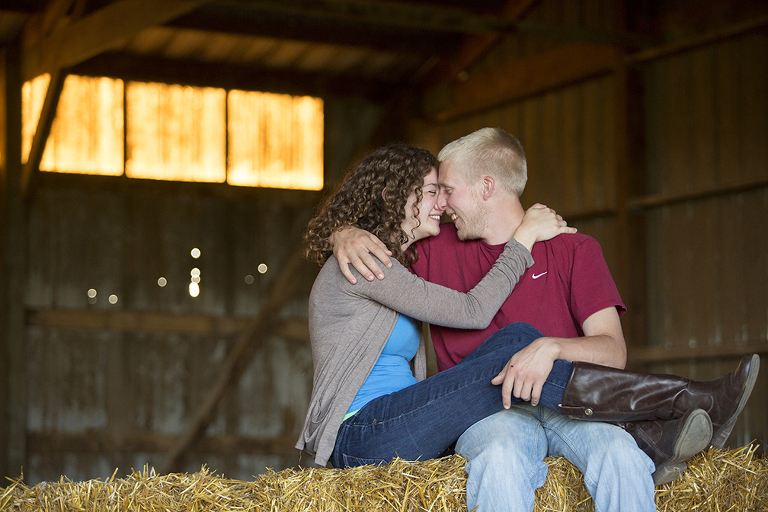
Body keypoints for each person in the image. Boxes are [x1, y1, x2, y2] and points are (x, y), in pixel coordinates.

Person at [330, 128, 759, 511]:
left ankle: (662, 421)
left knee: (622, 457)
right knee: (499, 460)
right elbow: (381, 233)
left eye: (447, 190)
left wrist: (551, 347)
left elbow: (613, 352)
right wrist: (343, 233)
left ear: (486, 186)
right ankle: (672, 409)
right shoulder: (432, 247)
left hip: (569, 407)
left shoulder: (575, 249)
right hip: (488, 412)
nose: (440, 203)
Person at [295, 143, 578, 468]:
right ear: (391, 196)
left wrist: (341, 231)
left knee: (519, 337)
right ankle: (605, 402)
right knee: (513, 352)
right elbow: (474, 311)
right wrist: (524, 237)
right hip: (362, 431)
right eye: (431, 192)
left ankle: (586, 402)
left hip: (396, 421)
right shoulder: (367, 263)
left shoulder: (395, 263)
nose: (442, 203)